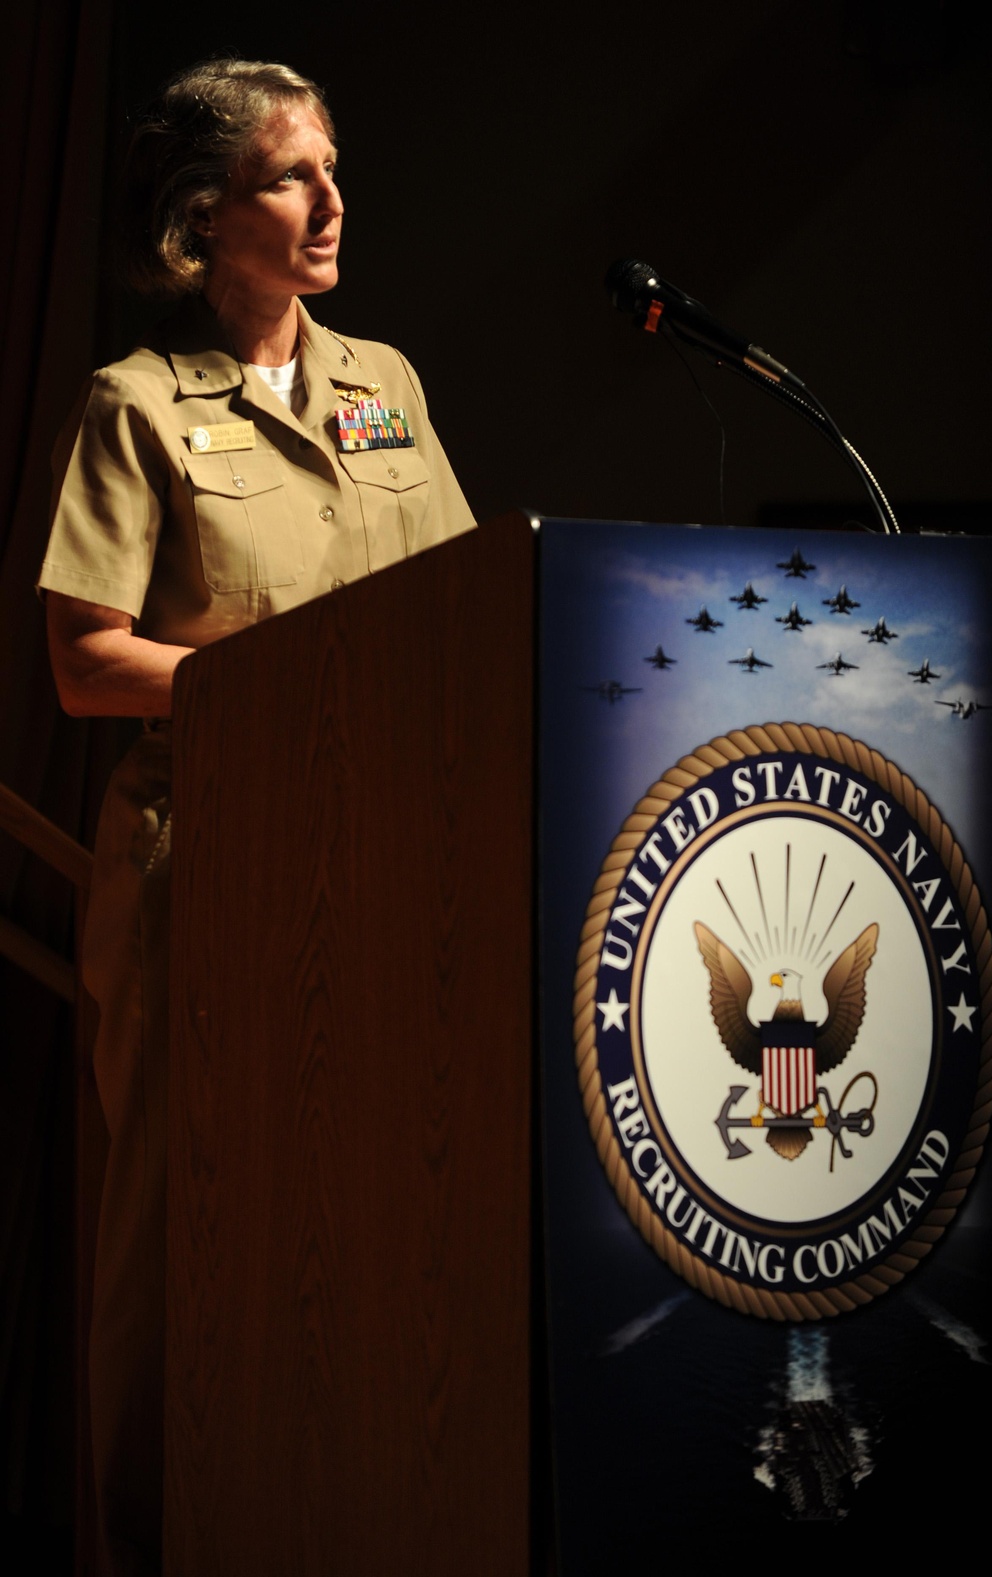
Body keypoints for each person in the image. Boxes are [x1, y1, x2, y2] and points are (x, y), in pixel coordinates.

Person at [38, 58, 475, 1576]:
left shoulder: (389, 389)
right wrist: (279, 689)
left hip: (381, 870)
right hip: (200, 868)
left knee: (371, 1231)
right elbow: (88, 661)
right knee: (179, 1254)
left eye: (333, 168)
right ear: (203, 217)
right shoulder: (139, 406)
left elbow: (462, 614)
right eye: (293, 176)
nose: (333, 200)